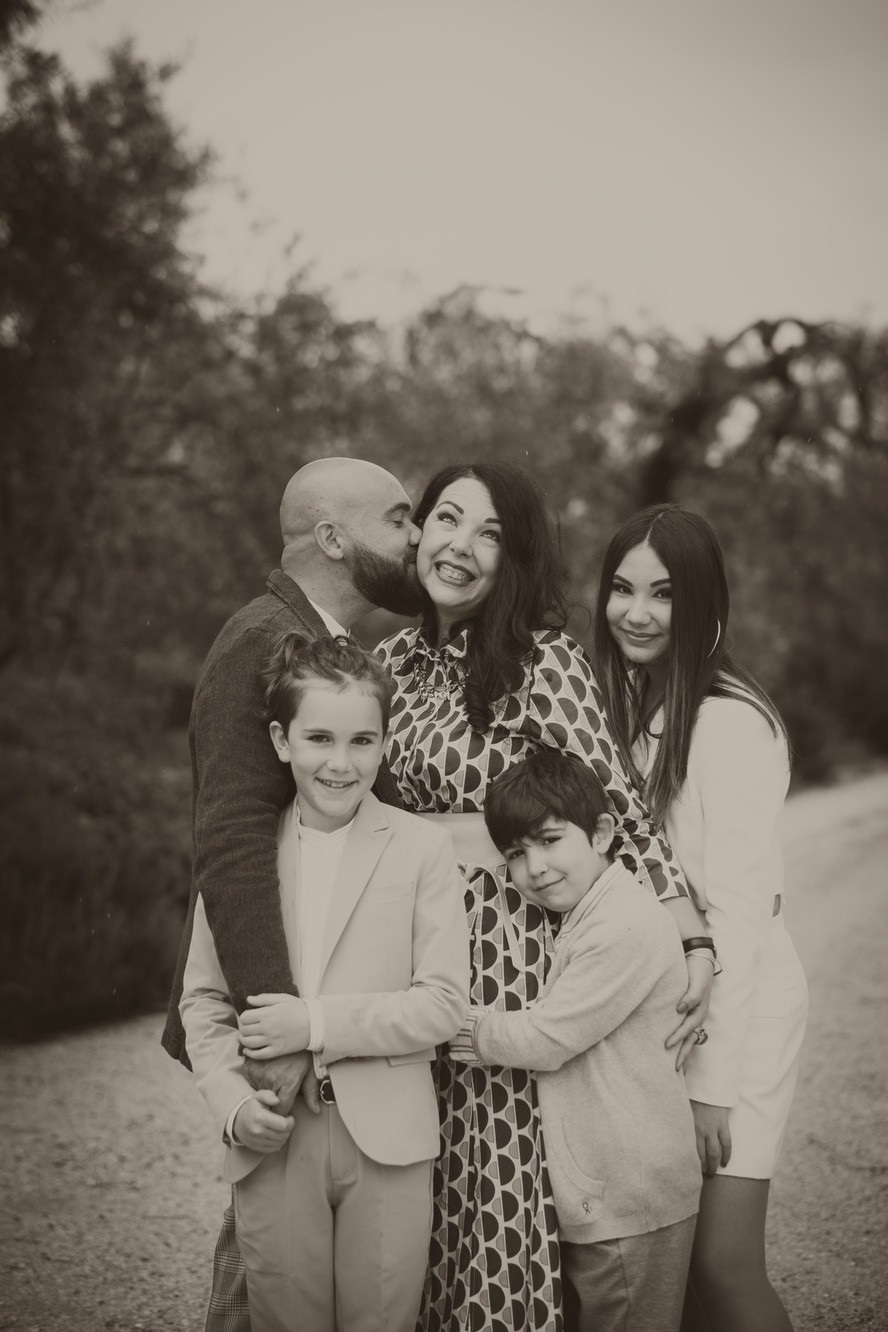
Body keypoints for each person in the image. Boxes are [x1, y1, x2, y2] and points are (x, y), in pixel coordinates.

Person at [375, 462, 715, 1332]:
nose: (460, 545)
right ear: (417, 529)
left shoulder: (541, 659)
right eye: (447, 518)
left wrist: (692, 938)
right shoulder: (384, 663)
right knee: (419, 1189)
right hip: (410, 953)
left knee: (494, 1195)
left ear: (514, 557)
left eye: (490, 532)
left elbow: (617, 806)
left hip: (506, 953)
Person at [162, 457, 423, 1332]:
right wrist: (270, 1027)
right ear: (333, 537)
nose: (417, 538)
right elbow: (231, 843)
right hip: (278, 1031)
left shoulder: (323, 644)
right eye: (398, 519)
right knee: (267, 1277)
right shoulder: (259, 641)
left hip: (320, 1029)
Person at [180, 632, 469, 1332]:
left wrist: (312, 1025)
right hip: (273, 1138)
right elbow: (204, 1000)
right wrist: (227, 1102)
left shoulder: (423, 847)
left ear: (382, 744)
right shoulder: (242, 853)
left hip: (389, 1142)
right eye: (318, 739)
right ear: (281, 741)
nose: (341, 764)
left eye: (362, 742)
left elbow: (443, 1004)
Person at [594, 503, 808, 1332]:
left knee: (722, 1266)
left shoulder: (728, 724)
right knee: (672, 1275)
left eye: (662, 594)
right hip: (667, 1014)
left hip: (737, 1019)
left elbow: (743, 920)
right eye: (621, 589)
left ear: (704, 606)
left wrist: (713, 1090)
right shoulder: (642, 709)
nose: (636, 613)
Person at [450, 748, 701, 1332]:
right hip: (617, 1185)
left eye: (550, 840)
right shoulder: (590, 913)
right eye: (516, 854)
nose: (534, 867)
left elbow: (548, 1036)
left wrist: (458, 1027)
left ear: (603, 833)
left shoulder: (623, 924)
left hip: (630, 1193)